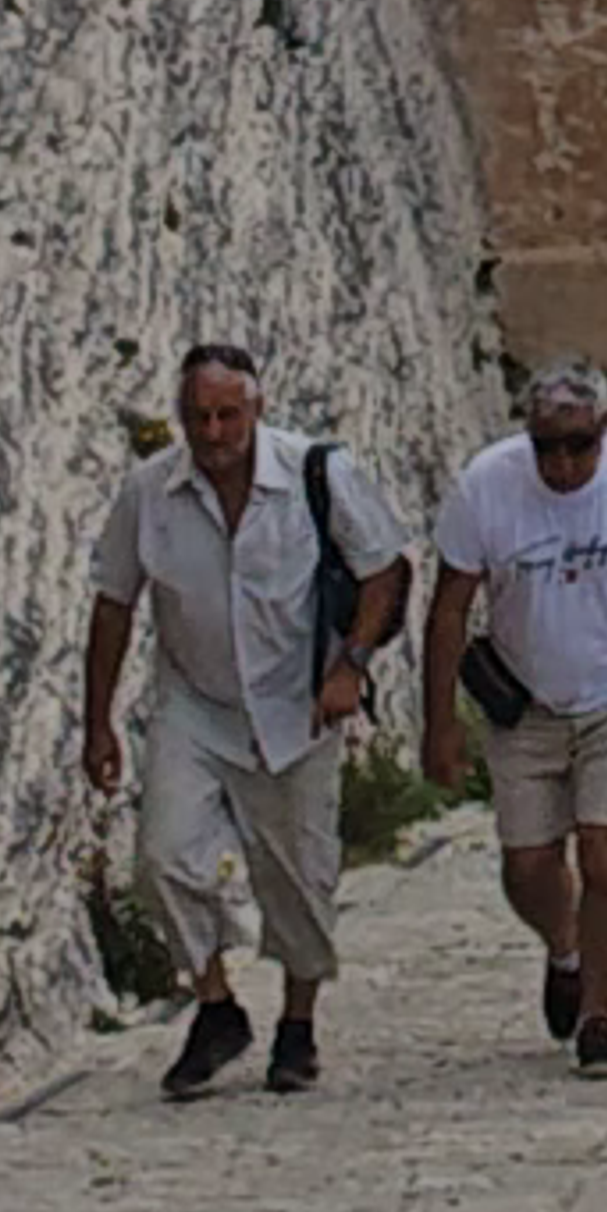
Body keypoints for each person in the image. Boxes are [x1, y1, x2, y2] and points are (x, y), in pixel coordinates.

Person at [81, 346, 413, 1099]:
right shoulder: (150, 491)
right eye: (199, 416)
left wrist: (350, 664)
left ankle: (297, 1025)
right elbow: (113, 602)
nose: (214, 429)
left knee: (298, 872)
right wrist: (96, 722)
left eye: (228, 413)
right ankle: (215, 1003)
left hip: (294, 701)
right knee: (162, 859)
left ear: (256, 410)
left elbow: (384, 568)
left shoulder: (312, 474)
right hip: (194, 704)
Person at [421, 364, 607, 1076]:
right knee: (527, 864)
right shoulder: (489, 485)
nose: (561, 463)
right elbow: (451, 605)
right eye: (547, 446)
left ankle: (601, 1016)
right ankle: (566, 946)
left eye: (578, 446)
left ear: (605, 432)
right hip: (527, 700)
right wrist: (438, 722)